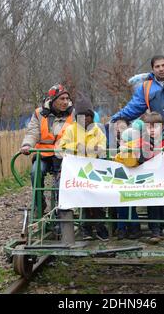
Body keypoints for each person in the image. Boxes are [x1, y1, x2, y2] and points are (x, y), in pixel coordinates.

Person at [58, 92, 109, 242]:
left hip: (93, 169)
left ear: (91, 116)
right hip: (76, 170)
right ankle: (86, 228)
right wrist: (79, 147)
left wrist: (96, 149)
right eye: (81, 116)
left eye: (87, 116)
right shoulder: (71, 130)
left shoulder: (97, 130)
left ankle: (100, 227)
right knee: (84, 199)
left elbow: (103, 147)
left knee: (97, 199)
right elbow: (62, 146)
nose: (85, 119)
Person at [20, 84, 74, 216]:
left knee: (60, 182)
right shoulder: (40, 113)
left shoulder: (73, 114)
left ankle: (61, 208)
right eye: (62, 99)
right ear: (53, 100)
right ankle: (39, 202)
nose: (65, 102)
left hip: (63, 155)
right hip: (43, 154)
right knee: (35, 172)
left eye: (67, 98)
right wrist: (27, 144)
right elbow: (33, 132)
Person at [110, 55, 164, 124]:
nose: (161, 69)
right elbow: (133, 108)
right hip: (157, 131)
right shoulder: (146, 87)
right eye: (157, 66)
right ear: (153, 70)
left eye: (163, 65)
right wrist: (114, 119)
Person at [141, 112, 164, 243]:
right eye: (149, 127)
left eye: (156, 126)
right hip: (149, 179)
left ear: (162, 126)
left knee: (163, 204)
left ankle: (162, 226)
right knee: (152, 203)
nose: (152, 130)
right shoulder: (143, 142)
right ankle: (155, 230)